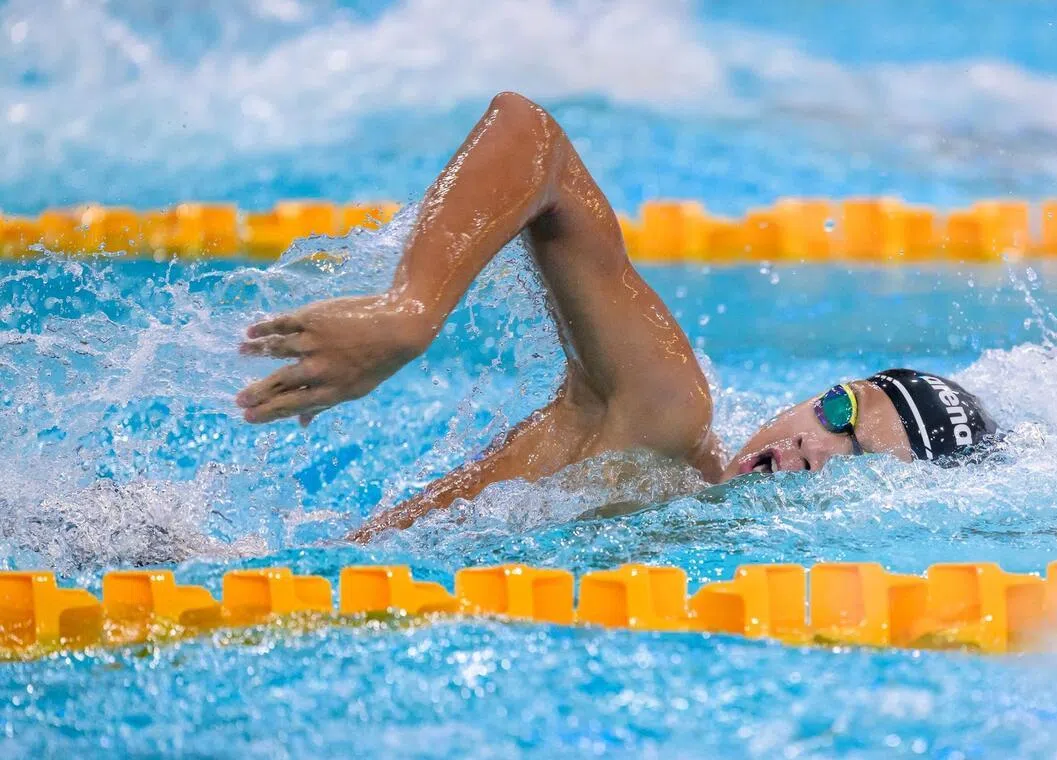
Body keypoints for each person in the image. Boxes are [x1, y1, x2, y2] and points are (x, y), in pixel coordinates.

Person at [234, 92, 999, 543]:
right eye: (837, 411)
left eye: (858, 458)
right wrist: (411, 312)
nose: (812, 444)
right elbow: (530, 135)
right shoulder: (665, 421)